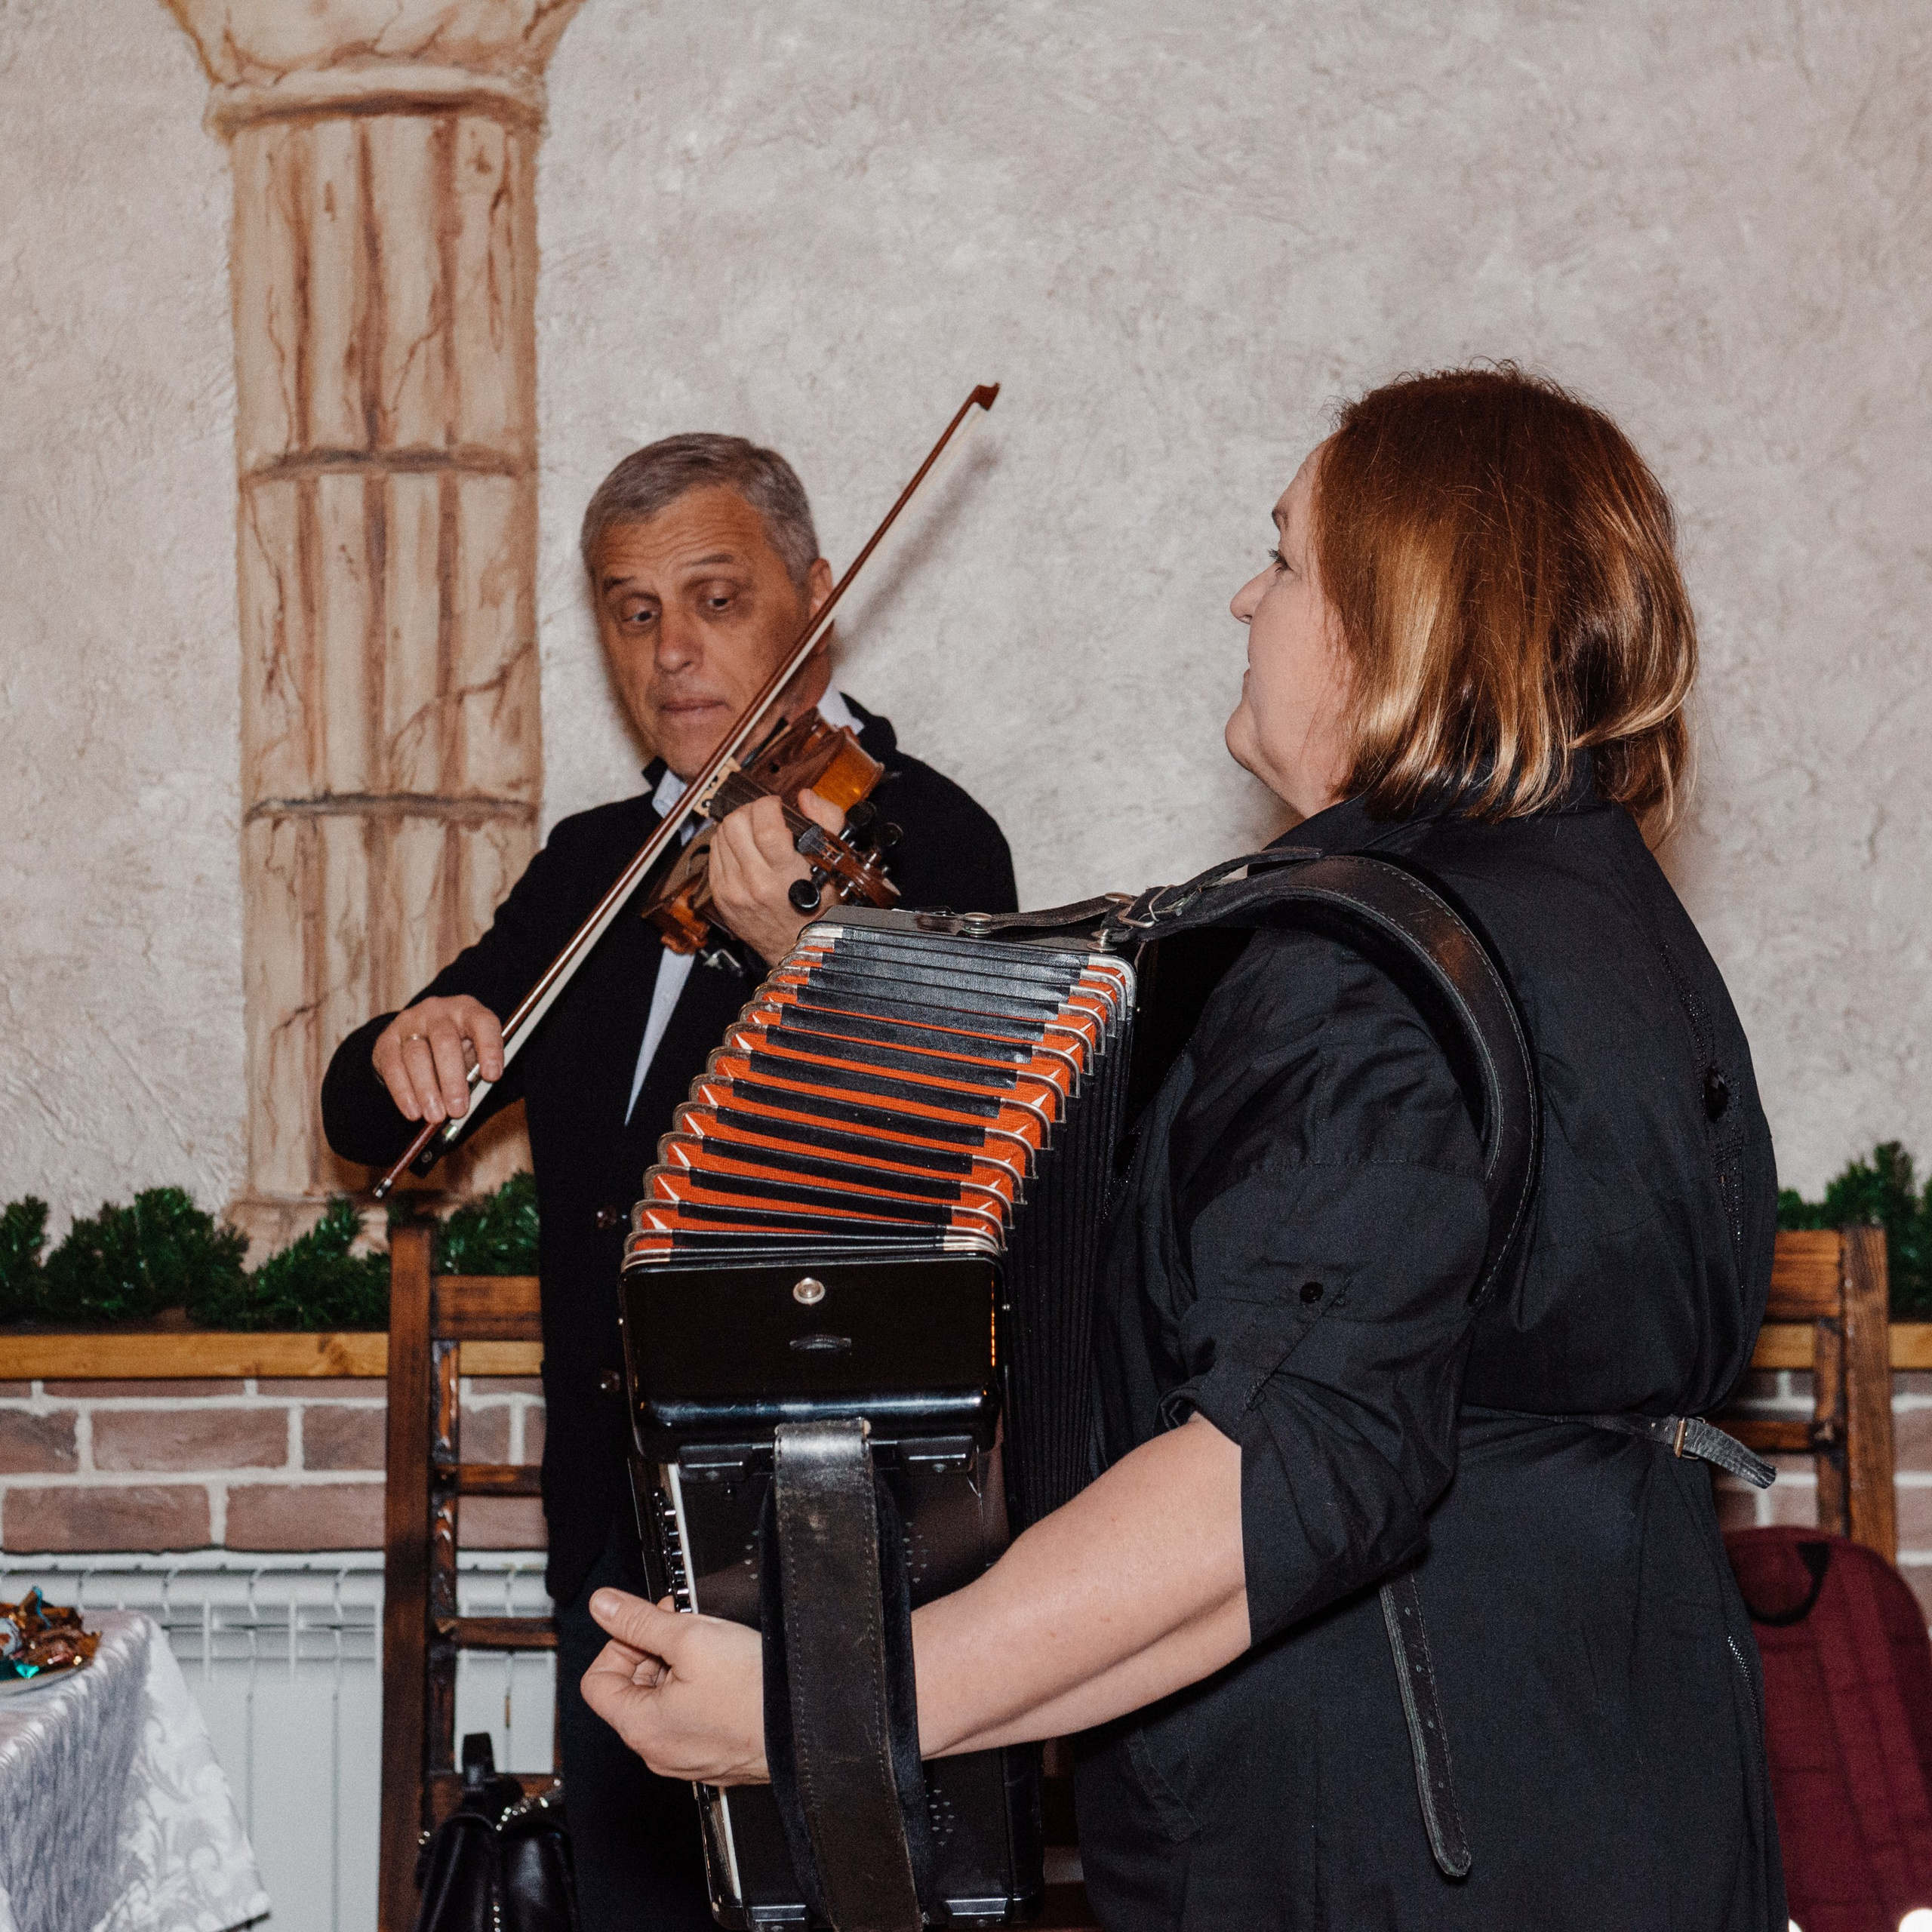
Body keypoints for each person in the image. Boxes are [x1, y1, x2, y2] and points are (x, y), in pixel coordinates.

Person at [577, 368, 1787, 1929]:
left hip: (1397, 1832)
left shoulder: (1366, 965)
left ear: (1391, 613)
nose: (1244, 593)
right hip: (1623, 1760)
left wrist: (818, 1707)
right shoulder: (1607, 915)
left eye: (1283, 558)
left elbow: (1275, 1471)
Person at [319, 435, 1017, 1932]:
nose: (673, 648)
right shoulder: (591, 862)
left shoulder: (927, 833)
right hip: (621, 1525)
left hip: (838, 1541)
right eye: (630, 610)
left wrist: (797, 950)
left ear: (814, 600)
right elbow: (367, 1117)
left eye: (714, 596)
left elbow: (955, 1137)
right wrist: (411, 1039)